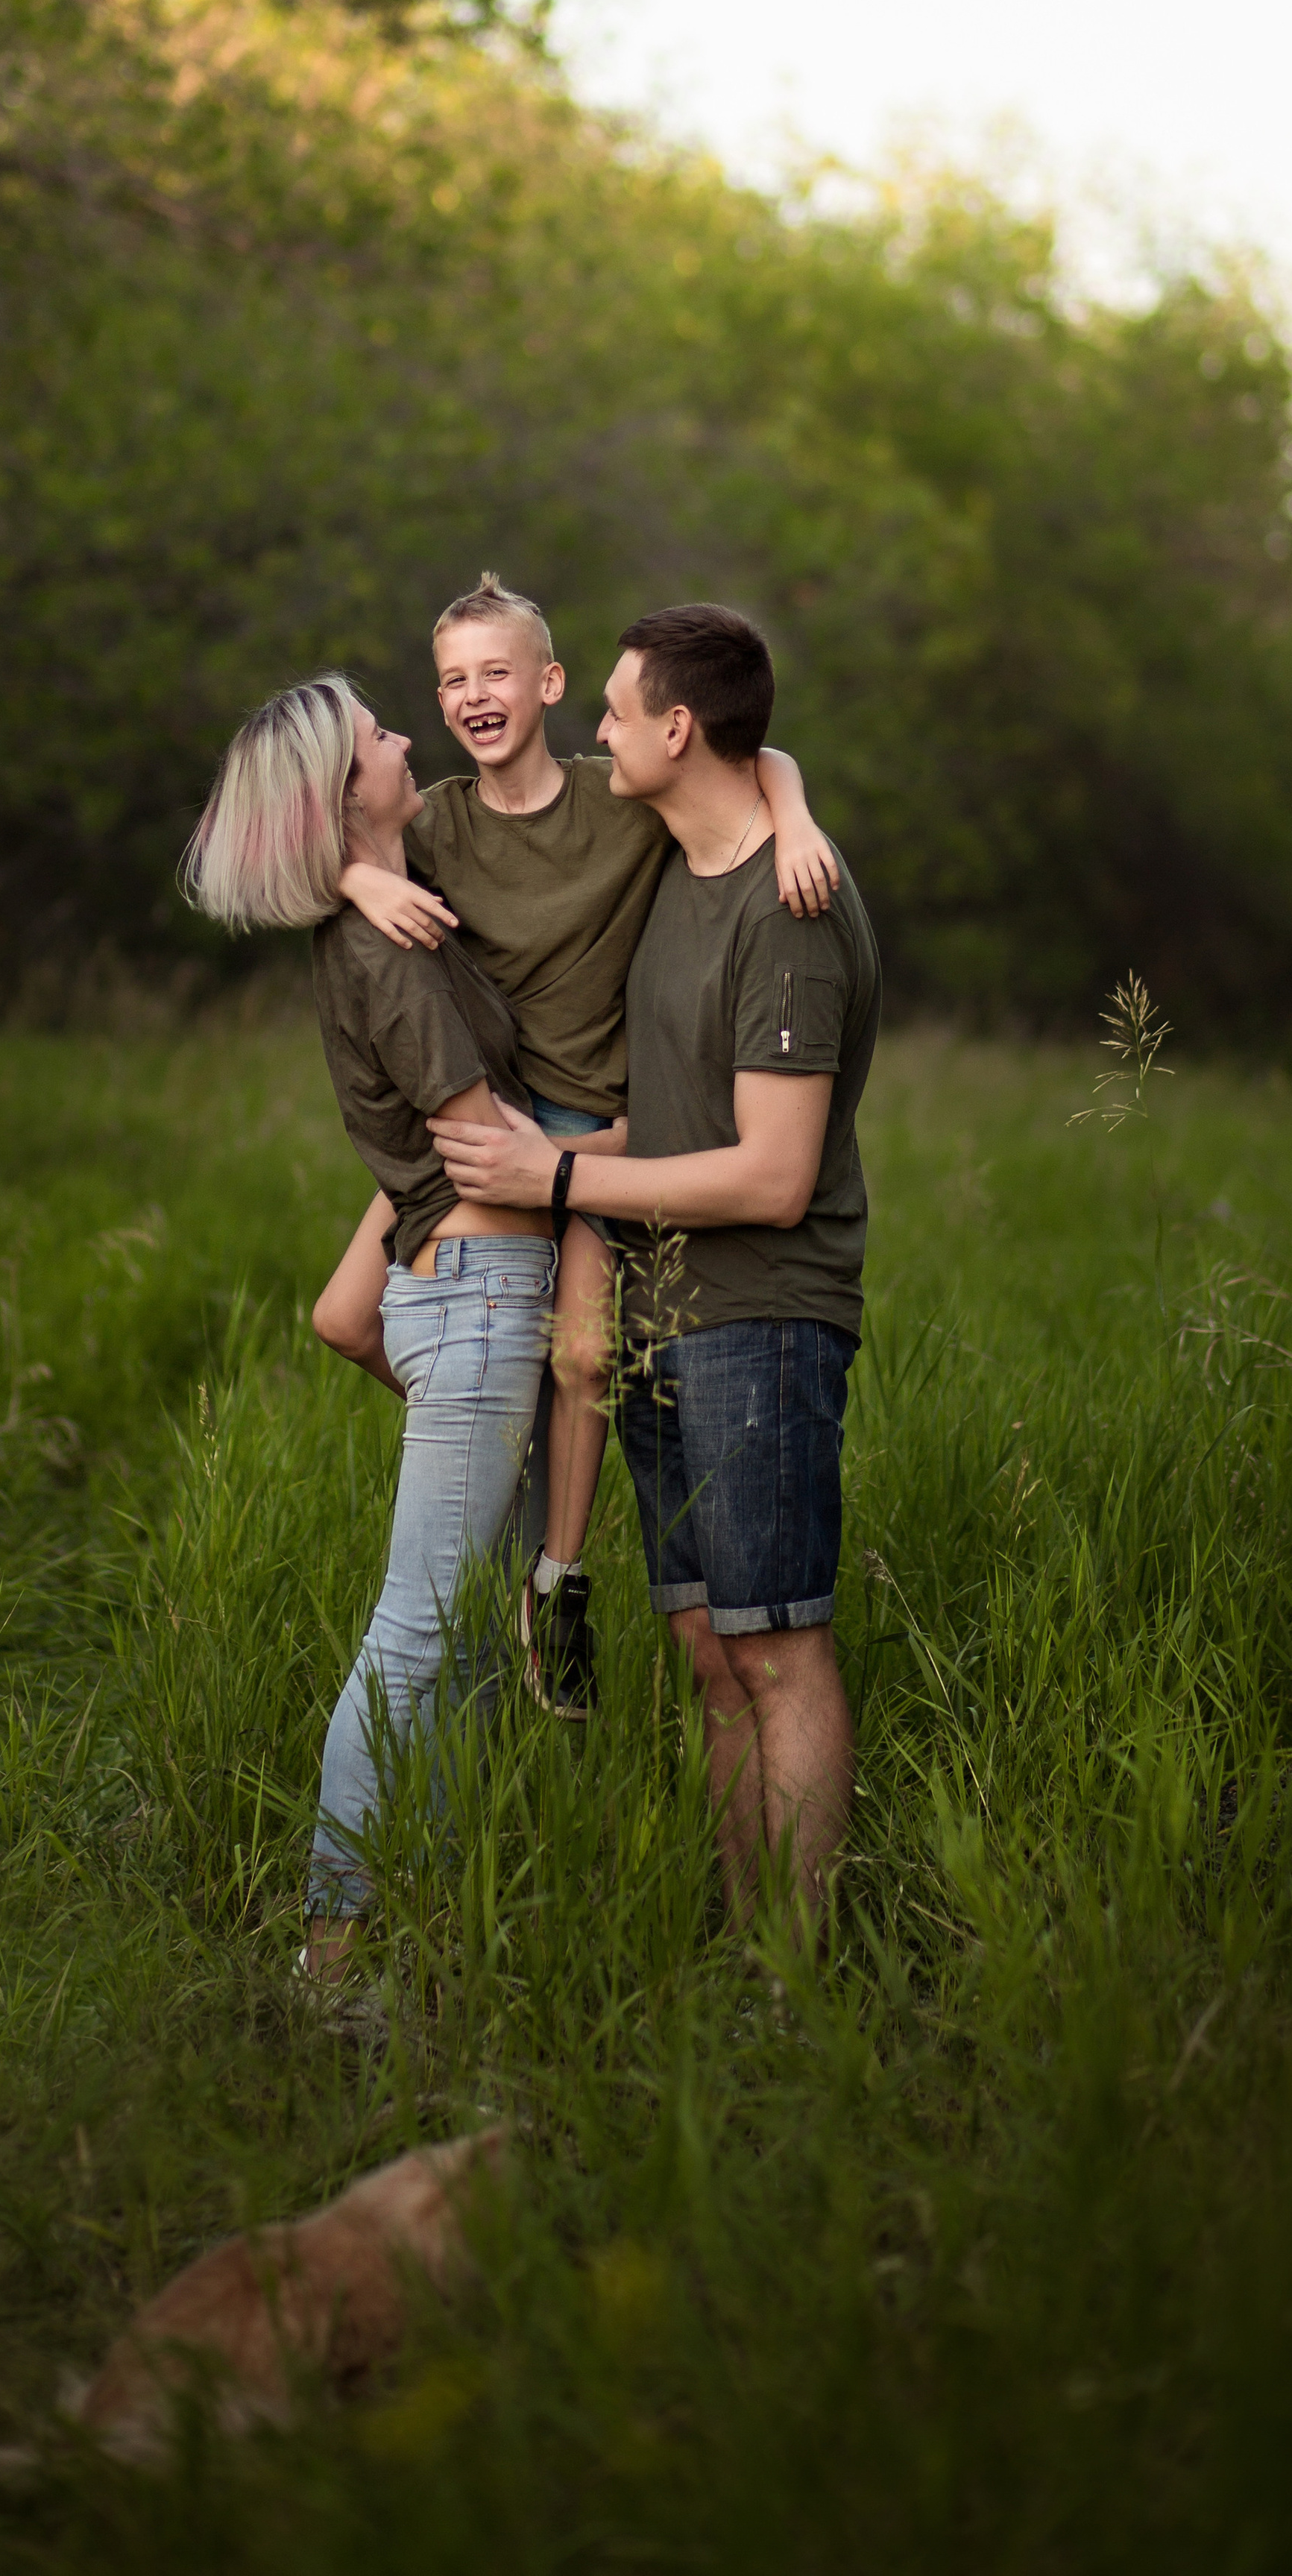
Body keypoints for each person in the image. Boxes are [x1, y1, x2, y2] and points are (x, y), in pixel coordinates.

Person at [312, 573, 839, 1726]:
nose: (472, 696)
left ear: (549, 684)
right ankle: (496, 1457)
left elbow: (755, 761)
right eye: (451, 679)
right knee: (343, 1320)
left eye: (497, 672)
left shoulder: (620, 797)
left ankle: (557, 1584)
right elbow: (302, 847)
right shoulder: (438, 821)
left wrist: (795, 821)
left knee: (586, 1358)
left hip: (599, 1132)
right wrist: (353, 871)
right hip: (481, 1118)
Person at [429, 602, 880, 1936]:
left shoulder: (788, 908)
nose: (602, 732)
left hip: (761, 1315)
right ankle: (752, 1951)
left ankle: (796, 1984)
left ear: (676, 731)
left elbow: (770, 1176)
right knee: (706, 1646)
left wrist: (555, 1179)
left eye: (618, 712)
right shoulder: (685, 871)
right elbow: (678, 1122)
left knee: (776, 1648)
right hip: (662, 1312)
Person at [183, 675, 555, 1980]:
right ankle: (330, 1953)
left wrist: (353, 875)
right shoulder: (379, 946)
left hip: (463, 1293)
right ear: (346, 797)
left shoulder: (395, 912)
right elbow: (484, 1144)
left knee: (467, 1643)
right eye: (381, 739)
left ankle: (420, 1923)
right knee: (418, 1633)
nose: (409, 737)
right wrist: (670, 1152)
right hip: (478, 1292)